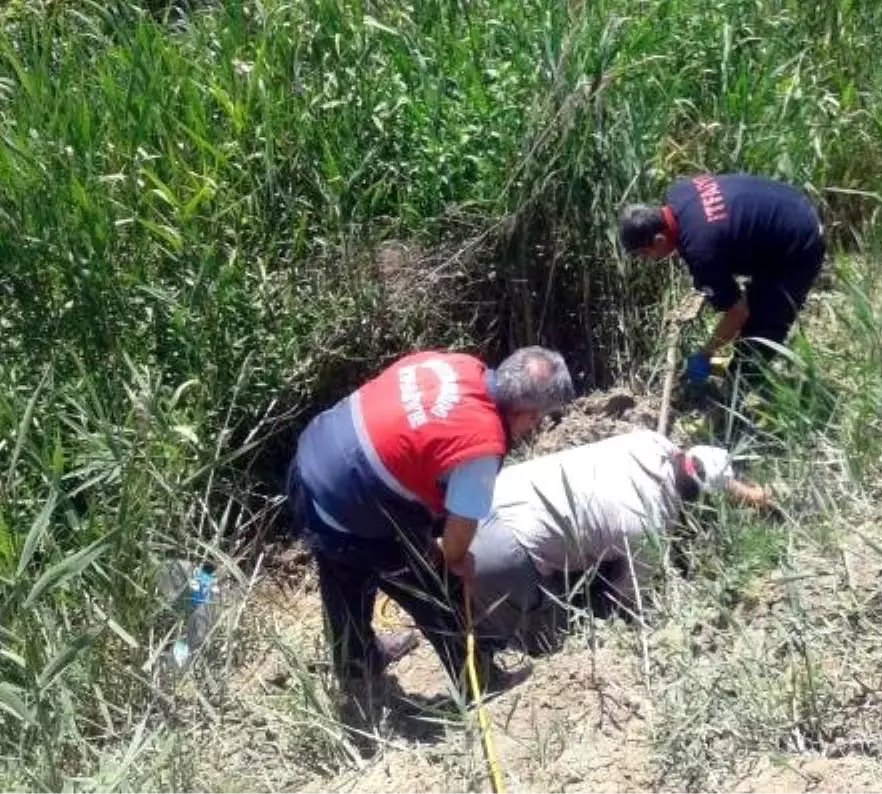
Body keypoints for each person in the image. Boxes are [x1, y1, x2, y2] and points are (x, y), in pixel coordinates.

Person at [285, 345, 574, 701]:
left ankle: (357, 663)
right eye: (538, 419)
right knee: (439, 588)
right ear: (528, 415)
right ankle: (479, 681)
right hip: (348, 501)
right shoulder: (480, 445)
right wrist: (453, 561)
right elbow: (458, 534)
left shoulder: (460, 365)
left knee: (344, 573)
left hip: (310, 467)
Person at [465, 429, 773, 655]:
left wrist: (752, 496)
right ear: (695, 499)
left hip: (479, 499)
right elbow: (624, 597)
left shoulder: (647, 440)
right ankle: (486, 645)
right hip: (506, 549)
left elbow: (704, 469)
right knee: (544, 641)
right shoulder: (652, 527)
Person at [618, 172, 826, 390]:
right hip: (792, 204)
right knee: (753, 313)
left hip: (800, 242)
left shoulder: (701, 251)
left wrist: (706, 353)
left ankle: (739, 400)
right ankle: (732, 369)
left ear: (659, 240)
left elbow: (738, 312)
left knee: (761, 333)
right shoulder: (679, 191)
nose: (648, 261)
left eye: (644, 254)